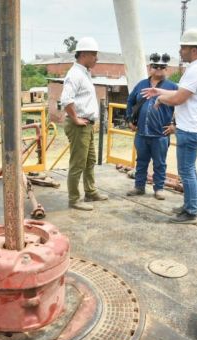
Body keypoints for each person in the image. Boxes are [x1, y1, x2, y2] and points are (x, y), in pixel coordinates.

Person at [141, 28, 197, 224]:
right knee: (190, 170)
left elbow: (179, 98)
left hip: (190, 129)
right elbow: (182, 93)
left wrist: (161, 99)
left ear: (194, 50)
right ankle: (191, 205)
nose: (180, 51)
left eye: (183, 47)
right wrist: (158, 91)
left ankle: (191, 212)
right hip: (194, 127)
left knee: (186, 171)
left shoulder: (196, 70)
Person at [60, 36, 108, 211]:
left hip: (87, 125)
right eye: (94, 55)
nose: (97, 58)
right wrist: (75, 118)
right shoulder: (75, 74)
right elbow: (65, 99)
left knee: (90, 160)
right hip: (79, 126)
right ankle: (74, 199)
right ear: (85, 54)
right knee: (78, 163)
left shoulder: (84, 73)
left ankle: (90, 192)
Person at [125, 53, 178, 200]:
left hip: (160, 135)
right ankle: (139, 186)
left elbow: (182, 108)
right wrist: (129, 120)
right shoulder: (141, 85)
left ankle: (159, 188)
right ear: (150, 68)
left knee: (160, 163)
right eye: (155, 66)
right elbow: (130, 102)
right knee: (141, 161)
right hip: (141, 133)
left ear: (166, 69)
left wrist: (175, 125)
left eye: (162, 67)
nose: (159, 69)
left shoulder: (172, 87)